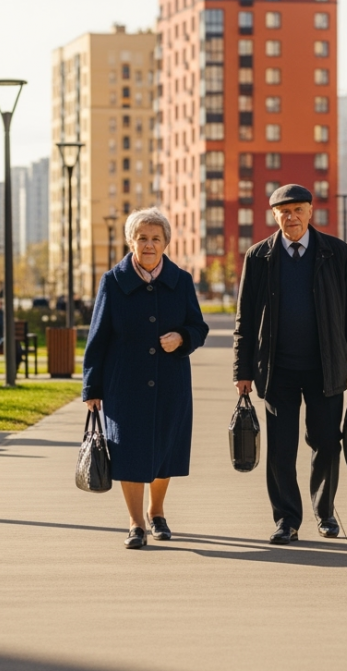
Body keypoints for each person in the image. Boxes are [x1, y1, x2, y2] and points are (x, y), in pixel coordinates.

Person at [234, 184, 347, 545]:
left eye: (297, 210)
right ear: (274, 215)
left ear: (311, 212)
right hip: (277, 368)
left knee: (326, 442)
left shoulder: (336, 253)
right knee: (281, 447)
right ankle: (286, 519)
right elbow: (244, 318)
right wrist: (242, 370)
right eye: (284, 211)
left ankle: (324, 511)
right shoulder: (258, 256)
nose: (291, 217)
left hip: (326, 367)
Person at [83, 208, 209, 549]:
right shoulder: (113, 281)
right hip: (124, 383)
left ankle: (157, 511)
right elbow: (98, 338)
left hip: (171, 381)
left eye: (156, 238)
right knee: (128, 452)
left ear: (166, 242)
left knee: (166, 450)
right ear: (130, 241)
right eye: (142, 238)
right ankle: (136, 523)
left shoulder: (181, 280)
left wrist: (182, 337)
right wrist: (91, 387)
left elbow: (199, 326)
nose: (149, 244)